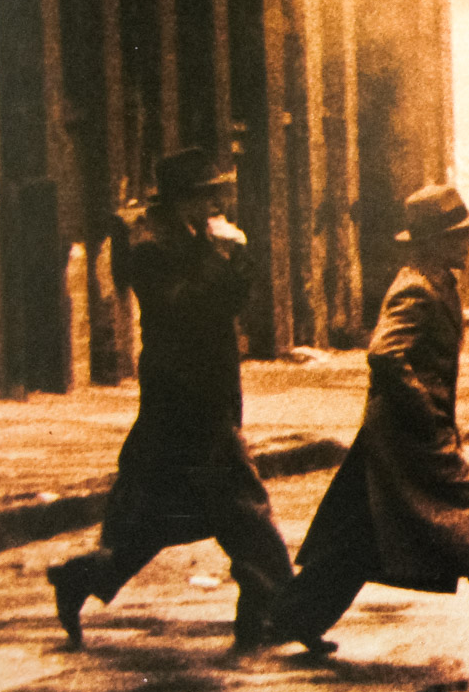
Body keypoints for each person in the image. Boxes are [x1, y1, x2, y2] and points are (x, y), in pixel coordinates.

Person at [274, 184, 469, 664]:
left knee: (361, 530)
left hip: (401, 429)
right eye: (455, 235)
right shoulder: (417, 287)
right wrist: (422, 408)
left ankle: (297, 615)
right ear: (432, 242)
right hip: (410, 431)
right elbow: (384, 353)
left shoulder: (435, 281)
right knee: (468, 511)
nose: (465, 242)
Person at [45, 147, 294, 653]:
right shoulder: (151, 249)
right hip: (183, 401)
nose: (215, 205)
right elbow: (185, 307)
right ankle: (281, 614)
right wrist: (218, 256)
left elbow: (232, 300)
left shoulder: (202, 241)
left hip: (207, 396)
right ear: (181, 201)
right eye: (206, 196)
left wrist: (234, 256)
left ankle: (81, 577)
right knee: (245, 510)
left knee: (157, 522)